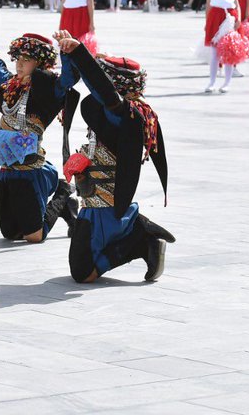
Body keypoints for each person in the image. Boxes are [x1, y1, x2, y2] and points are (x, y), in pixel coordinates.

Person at [57, 35, 173, 283]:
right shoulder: (111, 110)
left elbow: (102, 88)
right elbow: (88, 83)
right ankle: (136, 229)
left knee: (82, 273)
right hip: (91, 199)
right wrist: (68, 53)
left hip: (106, 204)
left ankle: (139, 237)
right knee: (80, 271)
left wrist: (81, 52)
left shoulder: (126, 114)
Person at [0, 30, 80, 243]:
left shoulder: (49, 90)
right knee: (10, 233)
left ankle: (63, 193)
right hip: (7, 170)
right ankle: (62, 204)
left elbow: (68, 79)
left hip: (29, 171)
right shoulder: (12, 85)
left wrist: (66, 53)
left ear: (39, 64)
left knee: (34, 236)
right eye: (17, 59)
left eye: (26, 60)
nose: (19, 64)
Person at [203, 0, 239, 94]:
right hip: (216, 16)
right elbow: (208, 5)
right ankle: (212, 81)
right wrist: (207, 22)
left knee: (228, 51)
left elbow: (235, 0)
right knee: (214, 53)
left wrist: (238, 18)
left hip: (228, 17)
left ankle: (227, 82)